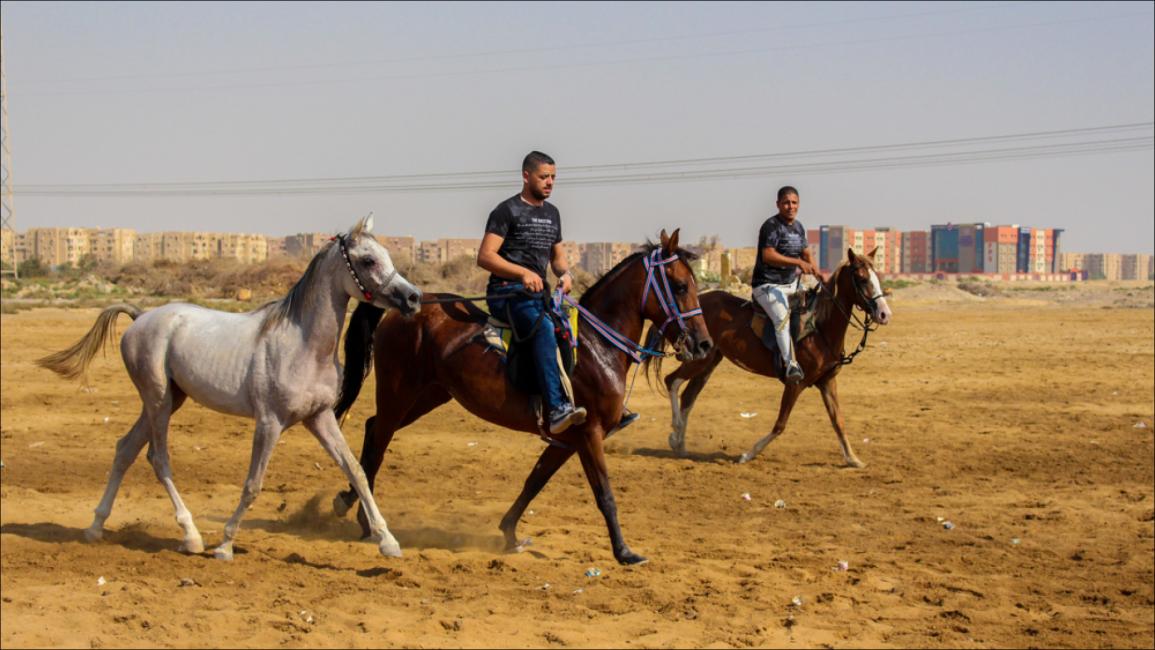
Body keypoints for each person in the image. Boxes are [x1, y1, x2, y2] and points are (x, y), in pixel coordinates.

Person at [479, 151, 588, 435]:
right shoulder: (506, 211)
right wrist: (522, 273)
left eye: (553, 177)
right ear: (526, 176)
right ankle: (555, 409)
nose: (550, 182)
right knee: (543, 329)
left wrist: (564, 274)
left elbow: (557, 258)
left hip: (538, 295)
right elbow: (486, 256)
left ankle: (593, 401)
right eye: (544, 177)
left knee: (573, 327)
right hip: (506, 293)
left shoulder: (553, 214)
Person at [750, 186, 820, 383]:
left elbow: (806, 254)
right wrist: (798, 263)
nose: (791, 206)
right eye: (787, 203)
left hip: (790, 285)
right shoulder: (770, 226)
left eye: (794, 202)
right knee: (782, 319)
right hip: (767, 285)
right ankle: (790, 365)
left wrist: (820, 276)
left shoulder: (799, 228)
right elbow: (768, 255)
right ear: (778, 204)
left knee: (814, 310)